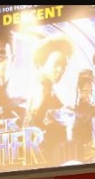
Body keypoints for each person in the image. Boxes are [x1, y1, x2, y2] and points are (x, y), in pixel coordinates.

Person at [25, 37, 73, 165]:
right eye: (57, 64)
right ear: (41, 64)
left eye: (64, 65)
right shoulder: (40, 90)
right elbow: (28, 127)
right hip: (45, 161)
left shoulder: (49, 89)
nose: (60, 70)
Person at [65, 69, 95, 163]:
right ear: (78, 89)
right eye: (85, 91)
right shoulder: (71, 108)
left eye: (90, 91)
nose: (88, 94)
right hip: (76, 153)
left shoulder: (94, 106)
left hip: (92, 151)